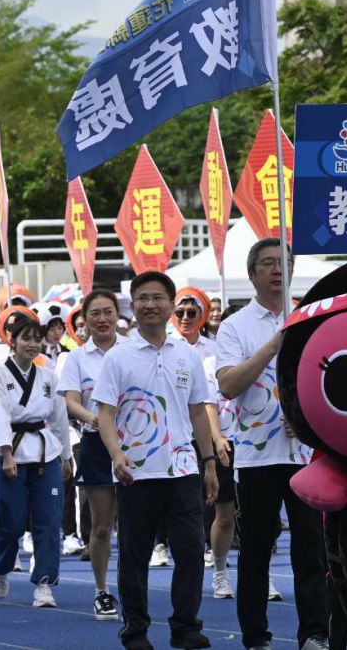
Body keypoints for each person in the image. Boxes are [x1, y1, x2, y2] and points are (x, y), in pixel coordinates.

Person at [215, 239, 330, 650]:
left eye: (284, 263)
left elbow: (329, 381)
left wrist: (310, 418)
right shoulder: (235, 327)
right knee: (257, 550)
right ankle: (255, 636)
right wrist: (272, 345)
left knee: (311, 549)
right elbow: (228, 384)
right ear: (252, 273)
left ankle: (315, 633)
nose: (277, 270)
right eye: (267, 264)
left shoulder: (313, 318)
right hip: (256, 456)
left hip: (304, 455)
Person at [95, 271, 219, 650]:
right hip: (137, 472)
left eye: (158, 298)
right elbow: (105, 413)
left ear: (169, 303)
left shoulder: (188, 355)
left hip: (182, 468)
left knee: (190, 551)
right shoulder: (118, 356)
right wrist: (117, 453)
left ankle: (185, 627)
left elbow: (199, 411)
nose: (151, 304)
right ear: (132, 305)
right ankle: (136, 630)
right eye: (143, 298)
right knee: (134, 554)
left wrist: (209, 462)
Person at [0, 314, 72, 607]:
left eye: (37, 339)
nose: (33, 345)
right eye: (26, 339)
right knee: (11, 519)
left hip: (46, 453)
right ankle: (2, 568)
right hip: (13, 453)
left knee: (49, 519)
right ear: (13, 340)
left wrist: (67, 455)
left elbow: (58, 417)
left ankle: (44, 584)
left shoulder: (48, 375)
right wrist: (6, 454)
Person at [59, 289, 124, 620]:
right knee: (101, 525)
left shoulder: (132, 350)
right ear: (85, 320)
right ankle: (102, 591)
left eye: (108, 312)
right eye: (95, 313)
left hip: (135, 444)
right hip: (96, 444)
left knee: (134, 523)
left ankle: (133, 585)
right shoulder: (77, 358)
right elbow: (70, 400)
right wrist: (92, 418)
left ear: (117, 315)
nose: (102, 319)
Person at [173, 288, 234, 598]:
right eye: (180, 311)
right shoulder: (166, 346)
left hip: (212, 438)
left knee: (225, 508)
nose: (185, 317)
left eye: (192, 312)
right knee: (190, 506)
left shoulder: (213, 351)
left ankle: (224, 567)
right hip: (177, 436)